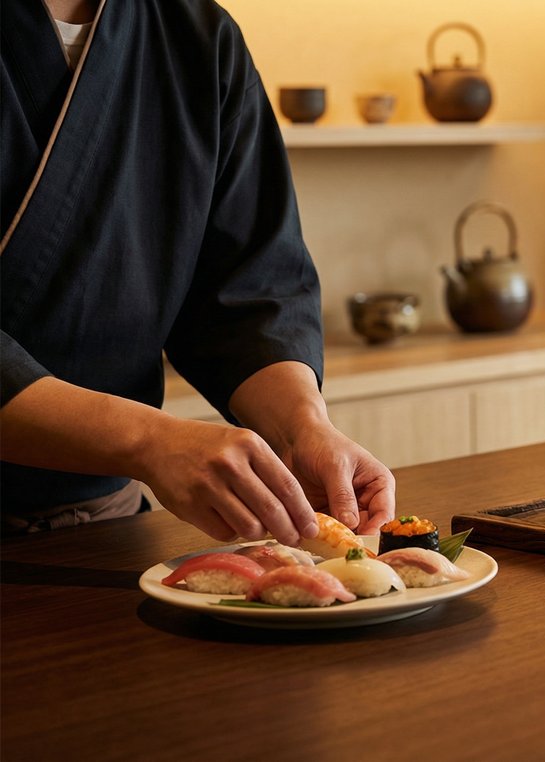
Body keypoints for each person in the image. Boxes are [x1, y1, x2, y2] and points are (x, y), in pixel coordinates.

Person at [0, 0, 395, 543]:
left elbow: (247, 291)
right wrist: (149, 441)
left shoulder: (199, 36)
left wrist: (302, 428)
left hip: (105, 525)